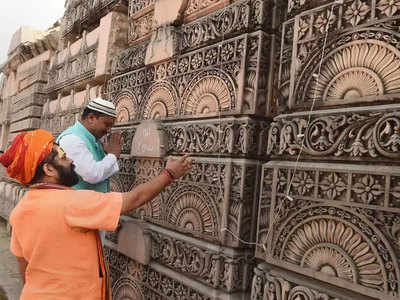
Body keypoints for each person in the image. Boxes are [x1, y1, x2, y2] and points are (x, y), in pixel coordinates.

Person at [0, 129, 192, 300]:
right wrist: (169, 174)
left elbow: (23, 264)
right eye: (63, 157)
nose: (71, 160)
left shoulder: (22, 209)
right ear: (48, 169)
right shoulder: (72, 203)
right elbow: (135, 199)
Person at [56, 98, 122, 194]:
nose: (109, 130)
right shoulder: (72, 139)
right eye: (107, 125)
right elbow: (92, 175)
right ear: (91, 118)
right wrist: (112, 155)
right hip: (76, 205)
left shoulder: (93, 140)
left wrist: (107, 154)